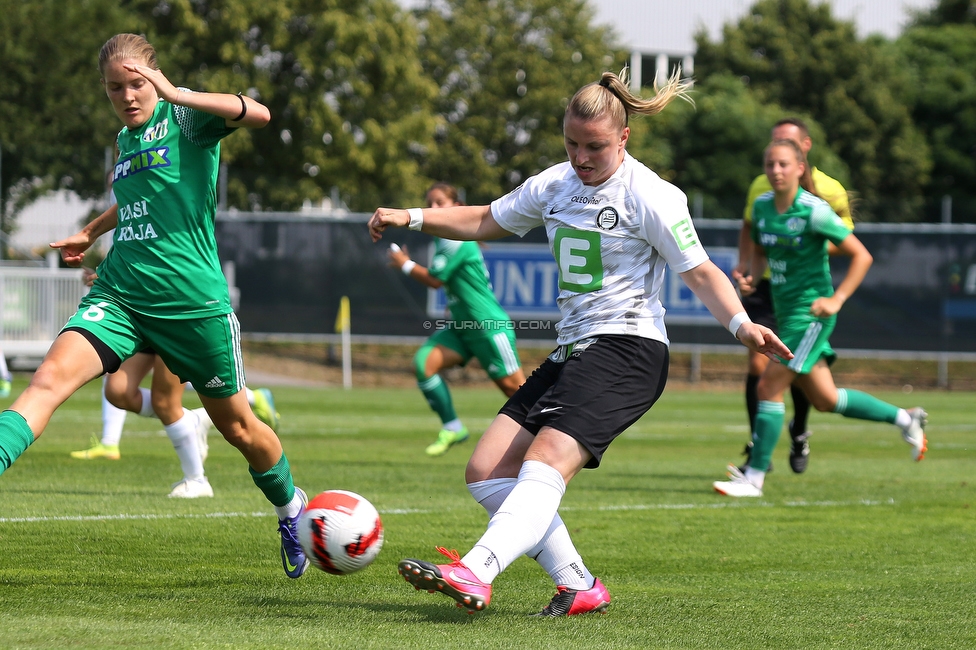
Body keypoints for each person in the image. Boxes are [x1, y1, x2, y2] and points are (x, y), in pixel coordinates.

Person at [368, 69, 792, 615]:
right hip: (574, 349)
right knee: (486, 470)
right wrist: (412, 216)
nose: (581, 157)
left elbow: (701, 270)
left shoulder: (653, 196)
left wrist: (741, 326)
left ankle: (475, 571)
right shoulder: (554, 184)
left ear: (624, 138)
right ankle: (579, 583)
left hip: (629, 348)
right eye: (572, 143)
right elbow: (482, 219)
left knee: (546, 457)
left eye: (594, 146)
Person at [0, 34, 311, 578]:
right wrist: (91, 233)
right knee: (48, 380)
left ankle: (291, 508)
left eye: (137, 82)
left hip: (192, 306)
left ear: (155, 78)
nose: (127, 95)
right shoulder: (126, 139)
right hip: (121, 294)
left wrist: (177, 92)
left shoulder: (187, 119)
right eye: (115, 87)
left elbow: (259, 114)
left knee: (239, 429)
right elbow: (135, 198)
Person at [713, 139, 927, 498]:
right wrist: (752, 276)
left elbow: (861, 255)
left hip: (811, 316)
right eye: (770, 164)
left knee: (768, 385)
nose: (775, 171)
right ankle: (907, 418)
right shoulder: (764, 208)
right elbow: (764, 252)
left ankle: (754, 477)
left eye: (783, 164)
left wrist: (836, 299)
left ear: (800, 168)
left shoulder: (813, 210)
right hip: (788, 314)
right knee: (826, 400)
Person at [734, 118, 855, 474]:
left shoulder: (829, 191)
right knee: (762, 367)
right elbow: (751, 230)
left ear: (804, 149)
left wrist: (797, 244)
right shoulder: (761, 188)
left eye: (785, 150)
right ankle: (761, 448)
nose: (775, 166)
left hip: (804, 293)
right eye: (771, 152)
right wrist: (748, 270)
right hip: (770, 288)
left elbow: (845, 242)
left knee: (787, 380)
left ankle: (792, 435)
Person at [387, 182, 526, 456]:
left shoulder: (455, 240)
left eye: (440, 203)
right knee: (423, 364)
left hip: (488, 327)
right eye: (430, 203)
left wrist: (403, 262)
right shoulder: (445, 239)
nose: (434, 208)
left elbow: (435, 280)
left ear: (458, 207)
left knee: (519, 392)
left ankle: (555, 437)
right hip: (462, 328)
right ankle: (453, 427)